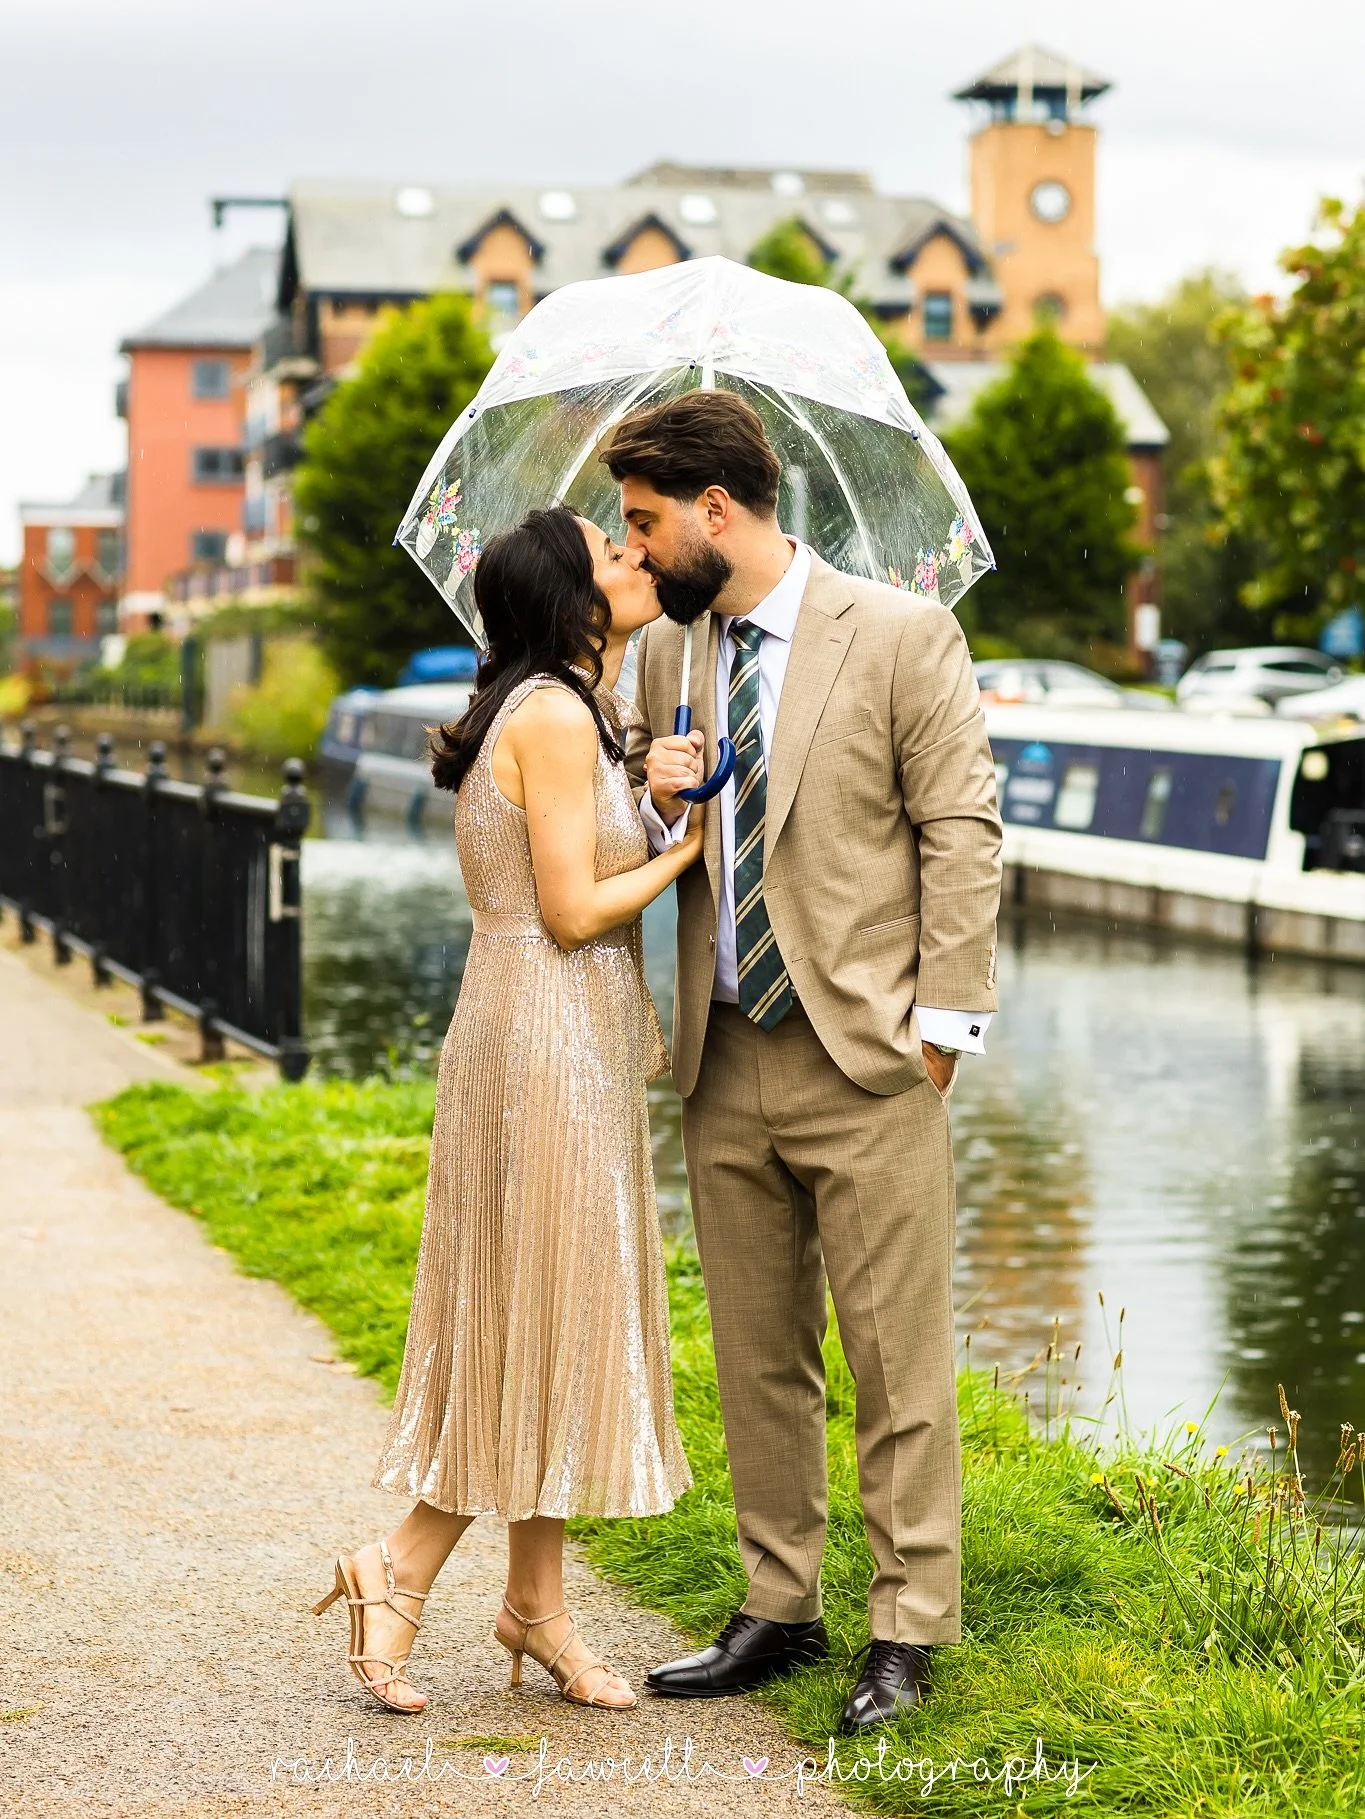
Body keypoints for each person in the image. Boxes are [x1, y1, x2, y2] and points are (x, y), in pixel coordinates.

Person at [599, 391, 1002, 1733]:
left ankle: (907, 1625)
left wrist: (945, 1029)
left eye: (646, 520)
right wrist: (654, 787)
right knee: (759, 1350)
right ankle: (780, 1602)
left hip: (869, 1056)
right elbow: (646, 829)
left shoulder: (899, 633)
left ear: (719, 509)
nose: (635, 548)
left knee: (898, 1363)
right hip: (723, 1052)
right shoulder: (667, 653)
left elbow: (960, 830)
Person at [313, 506, 701, 1715]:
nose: (638, 559)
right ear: (570, 602)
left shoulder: (571, 712)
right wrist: (692, 853)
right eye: (614, 553)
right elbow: (577, 909)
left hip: (544, 1034)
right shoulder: (545, 714)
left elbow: (581, 856)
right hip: (543, 1037)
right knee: (533, 1307)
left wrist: (658, 790)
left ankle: (536, 1605)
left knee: (551, 1313)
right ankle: (402, 1565)